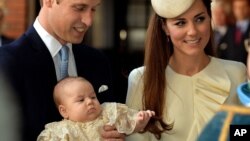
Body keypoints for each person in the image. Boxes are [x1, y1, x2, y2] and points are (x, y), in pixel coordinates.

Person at [0, 0, 123, 140]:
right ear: (49, 1)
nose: (89, 21)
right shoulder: (6, 65)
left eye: (94, 9)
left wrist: (117, 133)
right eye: (80, 8)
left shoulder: (98, 61)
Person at [125, 0, 247, 141]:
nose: (193, 31)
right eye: (180, 23)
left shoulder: (237, 72)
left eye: (200, 19)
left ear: (210, 18)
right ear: (165, 27)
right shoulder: (141, 79)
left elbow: (244, 133)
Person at [37, 76, 155, 140]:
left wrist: (139, 120)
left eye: (93, 97)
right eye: (81, 100)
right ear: (64, 111)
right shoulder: (62, 131)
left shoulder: (107, 113)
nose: (89, 102)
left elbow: (127, 123)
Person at [217, 0, 250, 64]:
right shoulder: (230, 29)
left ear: (248, 8)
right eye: (237, 7)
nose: (240, 10)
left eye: (243, 7)